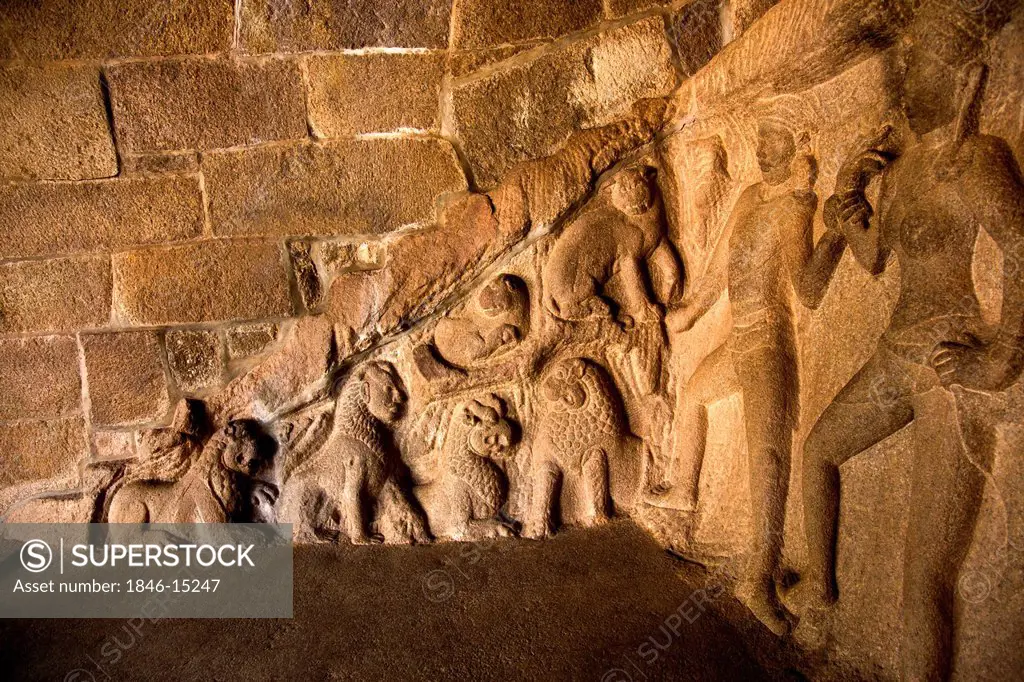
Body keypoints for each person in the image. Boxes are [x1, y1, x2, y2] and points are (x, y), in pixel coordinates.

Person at [794, 1, 1024, 677]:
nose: (902, 81)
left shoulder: (972, 160)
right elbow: (871, 259)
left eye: (919, 62)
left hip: (946, 365)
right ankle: (819, 595)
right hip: (896, 353)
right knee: (817, 455)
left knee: (923, 573)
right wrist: (849, 196)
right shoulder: (906, 175)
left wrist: (1005, 353)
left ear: (963, 80)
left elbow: (1020, 242)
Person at [649, 120, 847, 634]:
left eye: (774, 142)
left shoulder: (792, 207)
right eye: (759, 142)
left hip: (769, 347)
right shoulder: (749, 195)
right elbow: (720, 267)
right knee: (693, 397)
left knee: (769, 457)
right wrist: (691, 310)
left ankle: (759, 576)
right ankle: (684, 492)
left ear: (797, 147)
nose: (762, 151)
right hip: (739, 341)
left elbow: (807, 288)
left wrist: (837, 231)